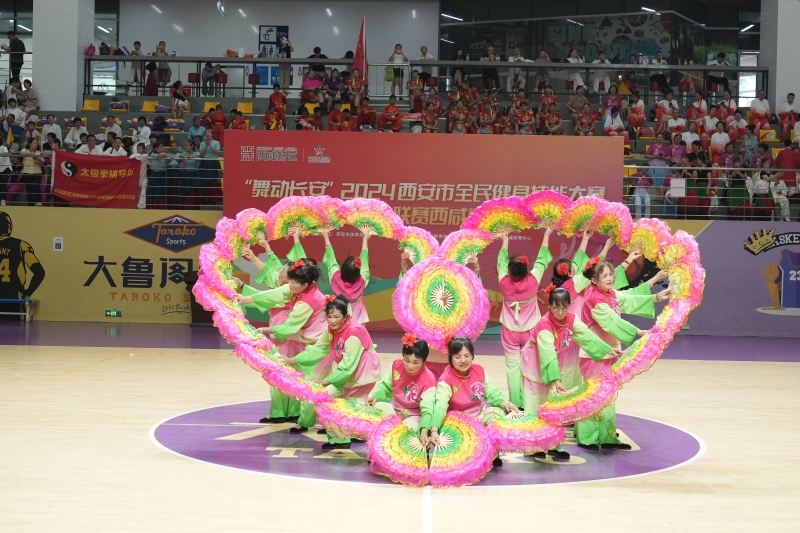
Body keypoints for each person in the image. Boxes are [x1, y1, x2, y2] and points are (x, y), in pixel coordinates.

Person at [574, 258, 666, 450]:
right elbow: (611, 322)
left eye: (611, 274)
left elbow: (629, 298)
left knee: (608, 395)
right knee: (593, 394)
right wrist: (638, 332)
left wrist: (657, 297)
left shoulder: (610, 294)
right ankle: (587, 437)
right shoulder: (594, 298)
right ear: (594, 280)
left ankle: (607, 437)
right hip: (595, 353)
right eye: (604, 276)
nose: (609, 278)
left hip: (610, 352)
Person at [521, 286, 622, 460]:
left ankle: (554, 445)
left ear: (569, 305)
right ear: (549, 306)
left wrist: (607, 350)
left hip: (553, 368)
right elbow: (547, 354)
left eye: (564, 307)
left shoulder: (571, 319)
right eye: (556, 308)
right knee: (535, 407)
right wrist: (555, 379)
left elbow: (587, 337)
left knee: (554, 408)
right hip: (535, 369)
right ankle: (534, 447)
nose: (560, 312)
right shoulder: (544, 326)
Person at [237, 257, 327, 426]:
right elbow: (270, 294)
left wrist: (264, 329)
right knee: (295, 376)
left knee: (283, 375)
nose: (279, 273)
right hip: (297, 339)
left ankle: (283, 413)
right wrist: (243, 295)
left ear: (303, 283)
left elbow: (286, 322)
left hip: (295, 340)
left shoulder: (304, 299)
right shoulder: (296, 288)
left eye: (283, 271)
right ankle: (293, 412)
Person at [283, 294, 382, 448]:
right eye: (329, 316)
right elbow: (320, 348)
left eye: (337, 316)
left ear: (345, 316)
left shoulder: (354, 331)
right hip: (346, 372)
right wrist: (293, 360)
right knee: (323, 398)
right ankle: (337, 432)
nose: (332, 320)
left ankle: (344, 436)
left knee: (340, 404)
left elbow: (348, 365)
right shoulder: (332, 328)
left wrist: (328, 380)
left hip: (361, 373)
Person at [428, 336, 520, 466]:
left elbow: (490, 392)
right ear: (450, 358)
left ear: (472, 356)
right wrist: (434, 430)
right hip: (458, 420)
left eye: (467, 356)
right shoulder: (446, 378)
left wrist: (506, 404)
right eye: (457, 357)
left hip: (479, 415)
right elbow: (440, 406)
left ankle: (493, 453)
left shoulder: (479, 370)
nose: (463, 360)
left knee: (498, 414)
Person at [496, 228, 553, 409]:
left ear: (510, 269)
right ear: (526, 268)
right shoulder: (533, 280)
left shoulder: (504, 281)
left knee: (512, 369)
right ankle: (530, 403)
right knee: (530, 367)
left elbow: (500, 262)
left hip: (510, 332)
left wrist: (505, 239)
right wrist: (547, 234)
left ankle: (515, 404)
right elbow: (542, 259)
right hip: (531, 331)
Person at [366, 334, 436, 437]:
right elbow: (385, 387)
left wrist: (424, 431)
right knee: (377, 406)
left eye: (416, 362)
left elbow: (428, 409)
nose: (410, 366)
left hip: (415, 416)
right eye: (407, 360)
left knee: (404, 432)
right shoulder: (396, 366)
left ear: (423, 361)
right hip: (395, 410)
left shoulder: (429, 379)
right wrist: (375, 396)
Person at [319, 228, 370, 323]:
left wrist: (326, 237)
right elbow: (364, 258)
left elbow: (331, 258)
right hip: (357, 321)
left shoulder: (335, 276)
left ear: (342, 268)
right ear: (358, 272)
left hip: (337, 320)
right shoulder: (362, 279)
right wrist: (365, 239)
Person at [19, 139, 44, 206]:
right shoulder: (25, 150)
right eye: (34, 143)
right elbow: (21, 153)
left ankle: (38, 202)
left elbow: (43, 163)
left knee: (36, 187)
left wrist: (38, 161)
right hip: (27, 172)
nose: (36, 144)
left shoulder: (38, 152)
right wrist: (32, 154)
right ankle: (30, 204)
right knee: (29, 188)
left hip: (37, 172)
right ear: (30, 144)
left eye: (37, 143)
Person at [129, 143, 149, 209]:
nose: (139, 150)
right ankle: (135, 203)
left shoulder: (145, 155)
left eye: (140, 148)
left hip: (143, 175)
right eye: (138, 149)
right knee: (136, 190)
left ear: (144, 149)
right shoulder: (136, 155)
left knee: (143, 190)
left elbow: (141, 158)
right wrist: (136, 155)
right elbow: (130, 157)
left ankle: (142, 205)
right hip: (137, 175)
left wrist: (136, 155)